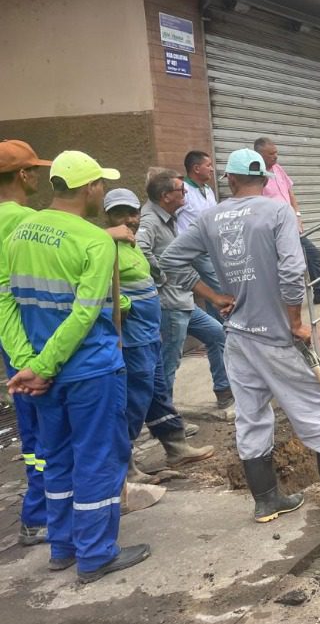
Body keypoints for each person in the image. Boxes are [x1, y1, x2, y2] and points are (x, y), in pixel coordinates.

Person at [160, 148, 320, 523]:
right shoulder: (277, 212)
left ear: (231, 180)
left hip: (237, 336)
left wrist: (213, 295)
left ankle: (267, 500)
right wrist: (295, 320)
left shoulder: (209, 217)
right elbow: (291, 269)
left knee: (250, 417)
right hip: (276, 335)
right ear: (265, 181)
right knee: (313, 407)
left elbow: (169, 260)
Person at [0, 150, 150, 583]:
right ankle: (96, 553)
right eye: (100, 184)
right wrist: (45, 365)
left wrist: (29, 363)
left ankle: (62, 547)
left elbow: (5, 300)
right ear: (91, 189)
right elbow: (85, 315)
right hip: (90, 371)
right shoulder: (94, 240)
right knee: (98, 458)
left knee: (58, 457)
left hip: (42, 376)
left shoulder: (20, 231)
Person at [103, 189, 214, 482]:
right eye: (120, 214)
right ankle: (123, 468)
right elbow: (99, 291)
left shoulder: (131, 244)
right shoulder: (106, 246)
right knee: (135, 399)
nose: (130, 219)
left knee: (156, 392)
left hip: (149, 333)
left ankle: (176, 446)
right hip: (132, 337)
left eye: (133, 212)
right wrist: (125, 306)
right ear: (108, 217)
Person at [136, 170, 234, 408]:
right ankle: (164, 417)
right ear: (165, 196)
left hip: (183, 301)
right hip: (169, 305)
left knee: (216, 334)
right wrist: (162, 277)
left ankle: (223, 391)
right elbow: (139, 249)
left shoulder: (167, 218)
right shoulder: (150, 220)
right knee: (169, 362)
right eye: (181, 190)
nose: (186, 193)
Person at [0, 140, 50, 547]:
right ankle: (39, 515)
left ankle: (42, 511)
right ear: (22, 175)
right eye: (35, 169)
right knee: (43, 431)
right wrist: (28, 360)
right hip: (27, 341)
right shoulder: (21, 221)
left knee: (35, 431)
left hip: (11, 338)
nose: (38, 176)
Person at [253, 137, 320, 304]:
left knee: (312, 253)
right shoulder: (255, 176)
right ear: (259, 155)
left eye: (276, 152)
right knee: (281, 265)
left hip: (291, 225)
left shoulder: (278, 169)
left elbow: (291, 194)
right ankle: (278, 301)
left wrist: (298, 216)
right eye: (271, 154)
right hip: (273, 229)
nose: (275, 156)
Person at [177, 151, 224, 320]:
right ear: (196, 168)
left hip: (211, 248)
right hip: (196, 251)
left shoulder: (208, 190)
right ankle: (223, 332)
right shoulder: (183, 190)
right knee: (219, 290)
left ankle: (218, 334)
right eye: (208, 165)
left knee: (212, 292)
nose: (212, 169)